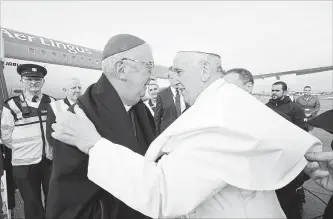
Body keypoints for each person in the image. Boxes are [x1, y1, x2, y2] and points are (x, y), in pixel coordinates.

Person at [51, 51, 321, 218]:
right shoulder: (228, 104)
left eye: (178, 71)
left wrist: (93, 144)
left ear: (205, 70)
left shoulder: (219, 119)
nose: (173, 81)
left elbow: (163, 192)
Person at [46, 34, 156, 219]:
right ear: (121, 69)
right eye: (148, 66)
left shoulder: (140, 109)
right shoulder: (81, 117)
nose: (152, 75)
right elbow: (70, 204)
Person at [0, 64, 55, 219]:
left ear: (43, 81)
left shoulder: (52, 102)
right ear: (22, 80)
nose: (33, 82)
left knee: (54, 200)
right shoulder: (11, 105)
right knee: (32, 204)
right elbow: (6, 136)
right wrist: (25, 149)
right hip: (24, 164)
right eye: (29, 79)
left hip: (48, 162)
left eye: (37, 79)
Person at [266, 81, 309, 219]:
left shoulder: (295, 108)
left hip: (290, 153)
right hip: (271, 152)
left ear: (285, 92)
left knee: (292, 183)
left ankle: (296, 205)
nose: (274, 93)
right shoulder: (265, 107)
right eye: (272, 90)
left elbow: (303, 131)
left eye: (277, 91)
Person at [46, 77, 82, 147]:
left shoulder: (86, 105)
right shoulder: (54, 106)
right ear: (65, 90)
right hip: (64, 150)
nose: (77, 90)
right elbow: (50, 133)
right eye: (74, 88)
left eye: (79, 88)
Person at [154, 71, 187, 135]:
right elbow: (157, 118)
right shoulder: (162, 95)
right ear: (169, 79)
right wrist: (158, 136)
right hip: (168, 133)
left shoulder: (187, 91)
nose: (176, 80)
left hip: (185, 131)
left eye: (177, 77)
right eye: (173, 78)